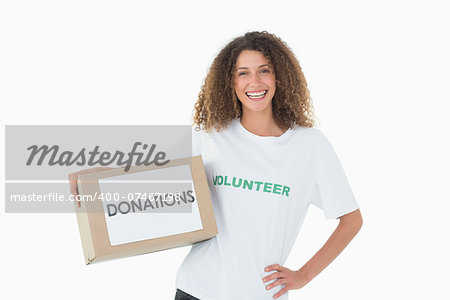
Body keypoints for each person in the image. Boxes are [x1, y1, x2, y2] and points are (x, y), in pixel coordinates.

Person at [174, 31, 363, 300]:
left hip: (262, 294)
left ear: (279, 77)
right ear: (230, 82)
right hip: (198, 289)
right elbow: (163, 192)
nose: (255, 81)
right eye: (243, 73)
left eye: (264, 70)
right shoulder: (208, 135)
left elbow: (351, 220)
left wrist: (304, 275)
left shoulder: (309, 146)